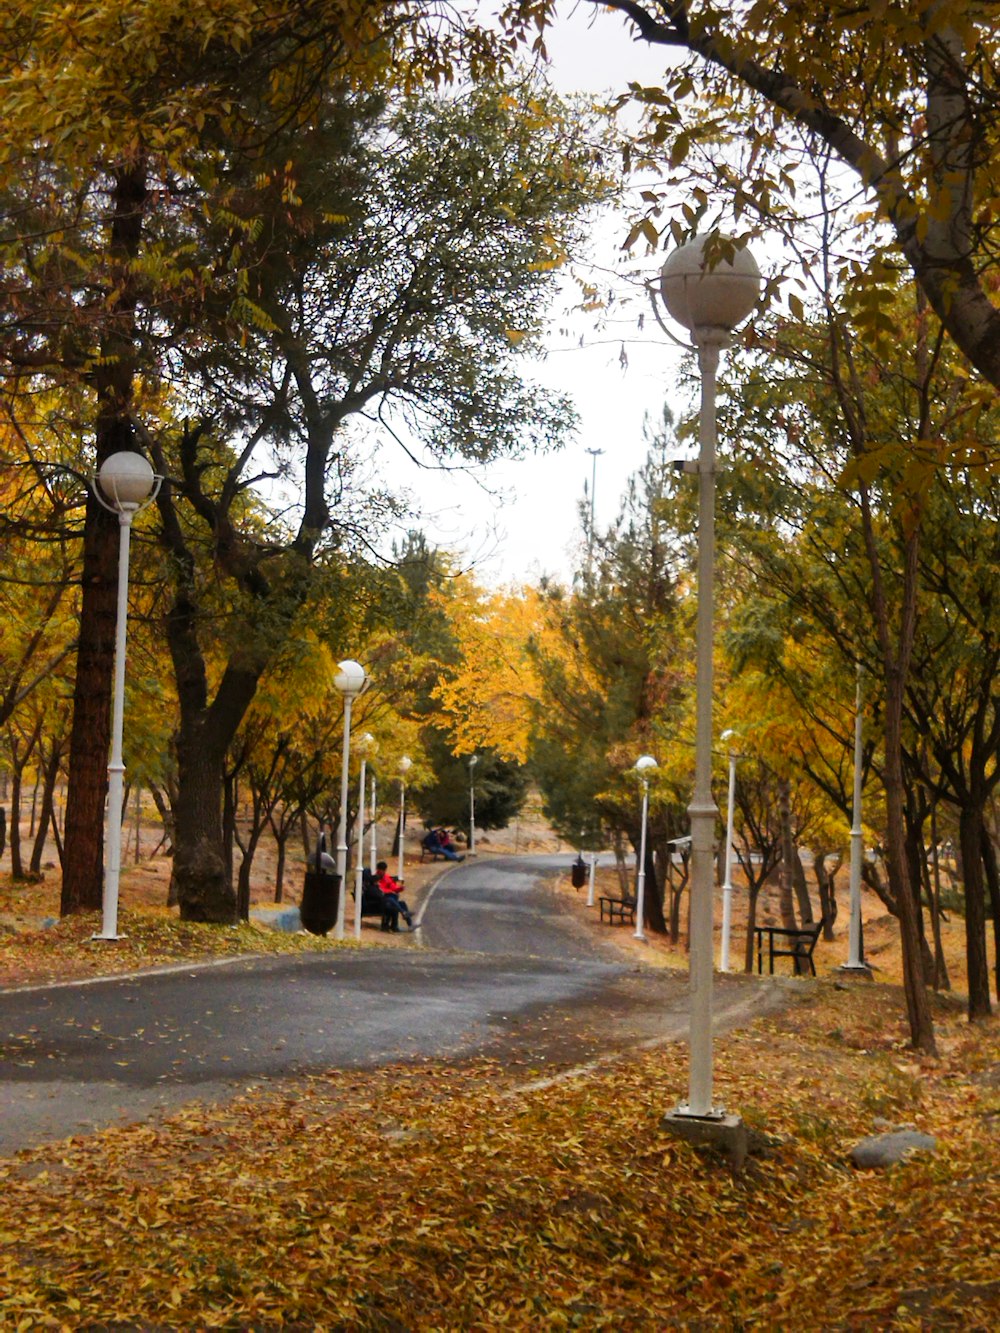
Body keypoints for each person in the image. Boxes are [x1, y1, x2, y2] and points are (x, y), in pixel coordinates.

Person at [375, 861, 420, 932]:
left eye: (384, 870)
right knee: (391, 900)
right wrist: (389, 891)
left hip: (388, 899)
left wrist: (400, 888)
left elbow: (394, 888)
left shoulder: (386, 877)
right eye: (381, 870)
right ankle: (403, 913)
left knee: (402, 903)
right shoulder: (375, 878)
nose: (383, 872)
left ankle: (410, 924)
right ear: (378, 869)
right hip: (381, 900)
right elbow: (379, 890)